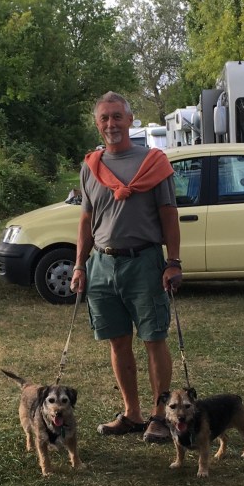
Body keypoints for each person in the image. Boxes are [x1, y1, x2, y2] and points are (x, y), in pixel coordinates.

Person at [70, 92, 183, 444]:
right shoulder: (91, 166)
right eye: (104, 118)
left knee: (154, 340)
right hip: (103, 265)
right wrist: (79, 265)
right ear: (97, 123)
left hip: (144, 263)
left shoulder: (153, 162)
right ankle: (132, 413)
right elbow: (86, 220)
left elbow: (169, 215)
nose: (111, 124)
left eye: (117, 116)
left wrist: (173, 262)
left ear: (130, 120)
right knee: (118, 342)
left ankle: (159, 416)